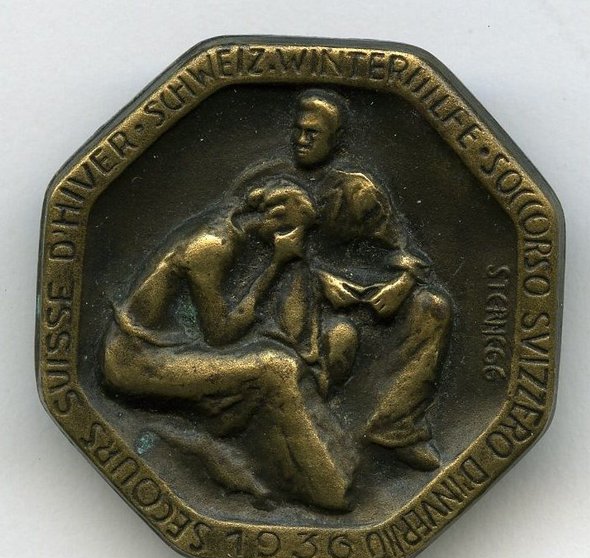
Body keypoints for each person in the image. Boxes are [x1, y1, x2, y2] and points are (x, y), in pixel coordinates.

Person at [102, 180, 356, 511]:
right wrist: (275, 264)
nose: (299, 243)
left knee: (305, 352)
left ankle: (328, 469)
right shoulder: (211, 246)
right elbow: (221, 334)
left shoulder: (234, 238)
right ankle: (327, 489)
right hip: (136, 360)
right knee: (277, 368)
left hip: (172, 350)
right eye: (295, 232)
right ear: (274, 220)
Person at [232, 89, 452, 470]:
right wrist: (317, 279)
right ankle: (297, 428)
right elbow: (242, 255)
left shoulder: (357, 190)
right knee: (339, 336)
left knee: (434, 307)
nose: (301, 140)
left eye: (312, 134)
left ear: (335, 141)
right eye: (298, 131)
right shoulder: (266, 182)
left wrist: (400, 285)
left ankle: (394, 426)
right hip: (285, 296)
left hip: (355, 293)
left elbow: (400, 250)